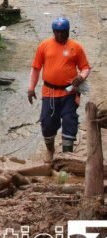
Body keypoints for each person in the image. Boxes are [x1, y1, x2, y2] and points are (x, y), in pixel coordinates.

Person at [27, 17, 90, 162]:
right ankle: (50, 150)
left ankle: (67, 157)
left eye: (63, 32)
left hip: (70, 93)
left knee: (69, 122)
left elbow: (85, 67)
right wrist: (31, 88)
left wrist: (81, 77)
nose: (60, 35)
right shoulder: (44, 46)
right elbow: (36, 68)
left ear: (68, 31)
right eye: (57, 32)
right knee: (47, 123)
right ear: (53, 31)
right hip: (49, 92)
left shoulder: (76, 47)